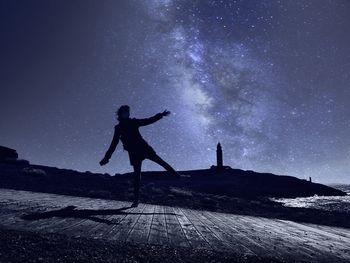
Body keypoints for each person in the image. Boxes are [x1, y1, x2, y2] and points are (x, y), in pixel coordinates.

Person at [100, 105, 180, 207]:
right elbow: (113, 144)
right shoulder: (118, 128)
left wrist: (161, 115)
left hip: (144, 149)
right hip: (134, 154)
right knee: (137, 177)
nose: (127, 114)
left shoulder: (133, 122)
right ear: (120, 114)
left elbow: (148, 120)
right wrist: (107, 158)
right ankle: (136, 200)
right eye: (124, 113)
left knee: (161, 162)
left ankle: (177, 176)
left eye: (127, 112)